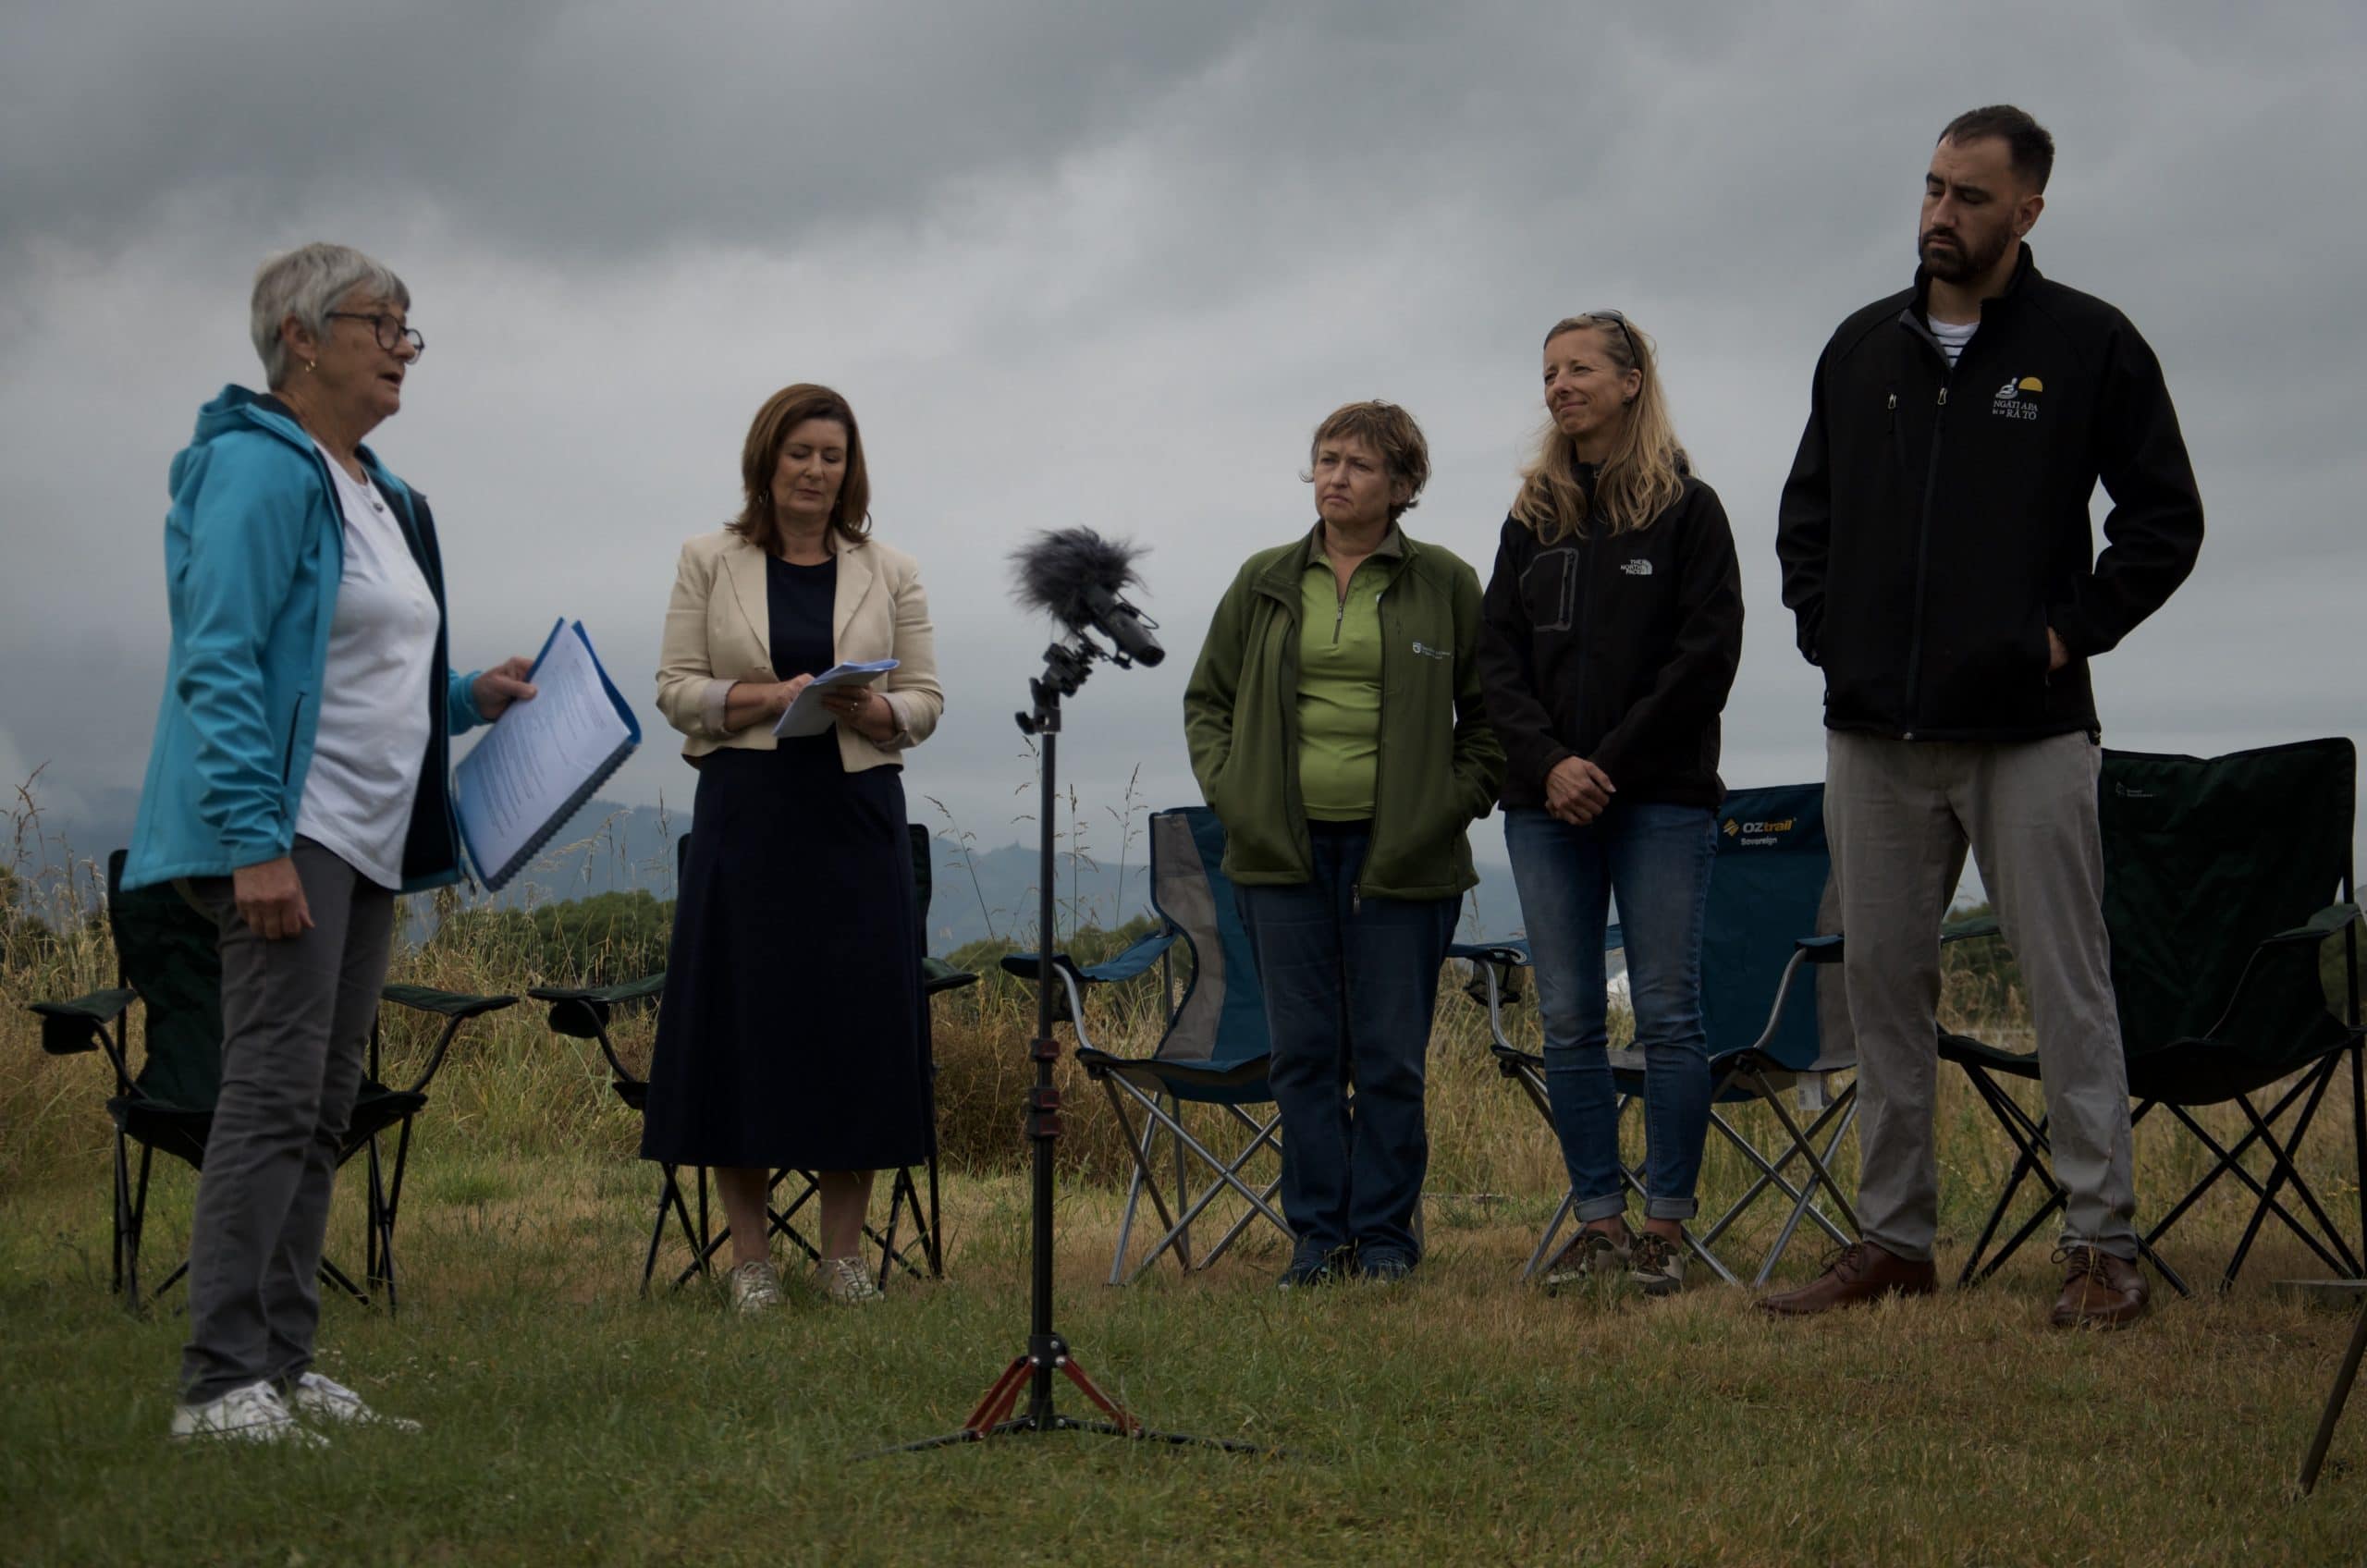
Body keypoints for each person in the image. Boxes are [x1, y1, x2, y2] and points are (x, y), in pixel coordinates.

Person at [1768, 105, 2203, 1327]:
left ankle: (2101, 1249)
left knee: (2070, 990)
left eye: (1967, 196)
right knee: (1885, 991)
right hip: (1874, 738)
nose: (1939, 216)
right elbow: (1808, 521)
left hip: (2031, 735)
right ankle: (1896, 1242)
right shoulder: (1860, 349)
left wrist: (2067, 632)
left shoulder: (2087, 343)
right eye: (1931, 189)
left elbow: (2164, 520)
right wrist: (1828, 632)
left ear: (2027, 210)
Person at [125, 242, 537, 1444]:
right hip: (288, 828)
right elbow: (224, 659)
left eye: (412, 328)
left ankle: (286, 1365)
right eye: (384, 324)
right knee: (267, 1095)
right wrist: (254, 844)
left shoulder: (378, 490)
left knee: (319, 1104)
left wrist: (469, 699)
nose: (405, 346)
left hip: (366, 834)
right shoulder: (258, 470)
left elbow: (358, 665)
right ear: (302, 339)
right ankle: (217, 1382)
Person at [1184, 400, 1503, 1289]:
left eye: (1359, 465)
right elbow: (1206, 702)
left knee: (1392, 1058)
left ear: (1402, 486)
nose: (1336, 477)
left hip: (1404, 859)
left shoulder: (1445, 582)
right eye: (1326, 460)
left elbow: (1490, 721)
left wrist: (1451, 804)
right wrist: (1235, 797)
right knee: (1305, 1056)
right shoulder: (1263, 580)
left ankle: (1388, 1242)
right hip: (1280, 856)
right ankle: (1318, 1240)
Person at [646, 383, 944, 1313]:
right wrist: (764, 697)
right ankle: (748, 1263)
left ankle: (844, 1257)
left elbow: (927, 699)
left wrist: (879, 707)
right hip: (749, 811)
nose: (817, 470)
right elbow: (675, 688)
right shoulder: (708, 558)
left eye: (833, 455)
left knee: (853, 1026)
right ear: (766, 462)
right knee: (746, 1026)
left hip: (855, 816)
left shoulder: (890, 568)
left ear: (850, 470)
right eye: (800, 453)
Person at [1477, 312, 1744, 1298]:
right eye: (1548, 372)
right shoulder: (1530, 520)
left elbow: (1703, 660)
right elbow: (1494, 659)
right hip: (1542, 803)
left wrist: (1606, 764)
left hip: (1661, 798)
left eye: (1579, 367)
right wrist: (1550, 764)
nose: (1558, 385)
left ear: (1632, 381)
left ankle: (1664, 1231)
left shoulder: (1688, 510)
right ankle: (1597, 1222)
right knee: (1568, 1018)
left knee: (1668, 1015)